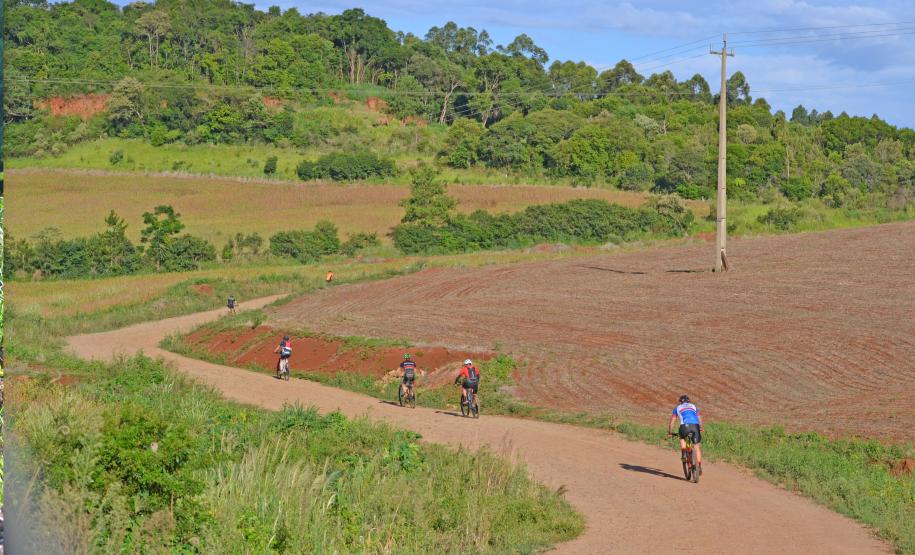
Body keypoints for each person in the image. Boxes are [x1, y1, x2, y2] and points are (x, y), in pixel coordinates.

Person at [668, 394, 703, 471]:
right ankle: (699, 465)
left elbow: (672, 421)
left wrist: (670, 432)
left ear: (680, 402)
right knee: (697, 447)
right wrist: (700, 428)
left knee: (682, 438)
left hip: (684, 427)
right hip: (695, 426)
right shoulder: (693, 406)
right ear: (688, 401)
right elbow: (699, 418)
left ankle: (684, 454)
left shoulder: (677, 408)